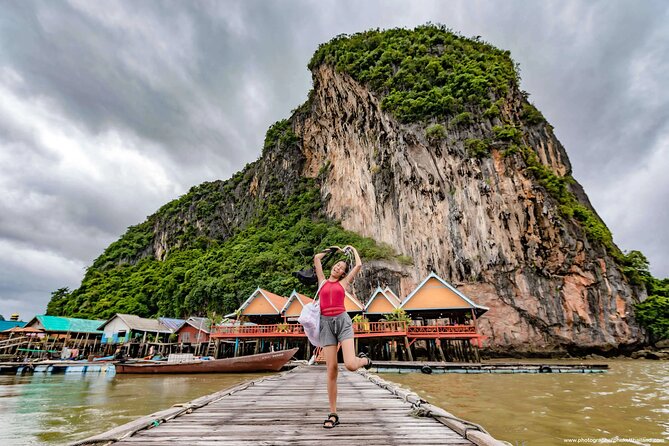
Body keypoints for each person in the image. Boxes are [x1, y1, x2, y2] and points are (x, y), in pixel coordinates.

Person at [313, 244, 372, 429]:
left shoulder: (343, 284)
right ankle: (333, 413)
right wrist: (332, 251)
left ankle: (364, 361)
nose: (338, 268)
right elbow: (316, 258)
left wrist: (352, 249)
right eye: (337, 266)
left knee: (350, 365)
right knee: (331, 369)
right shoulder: (322, 281)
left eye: (341, 269)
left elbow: (359, 265)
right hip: (326, 324)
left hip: (342, 321)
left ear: (342, 274)